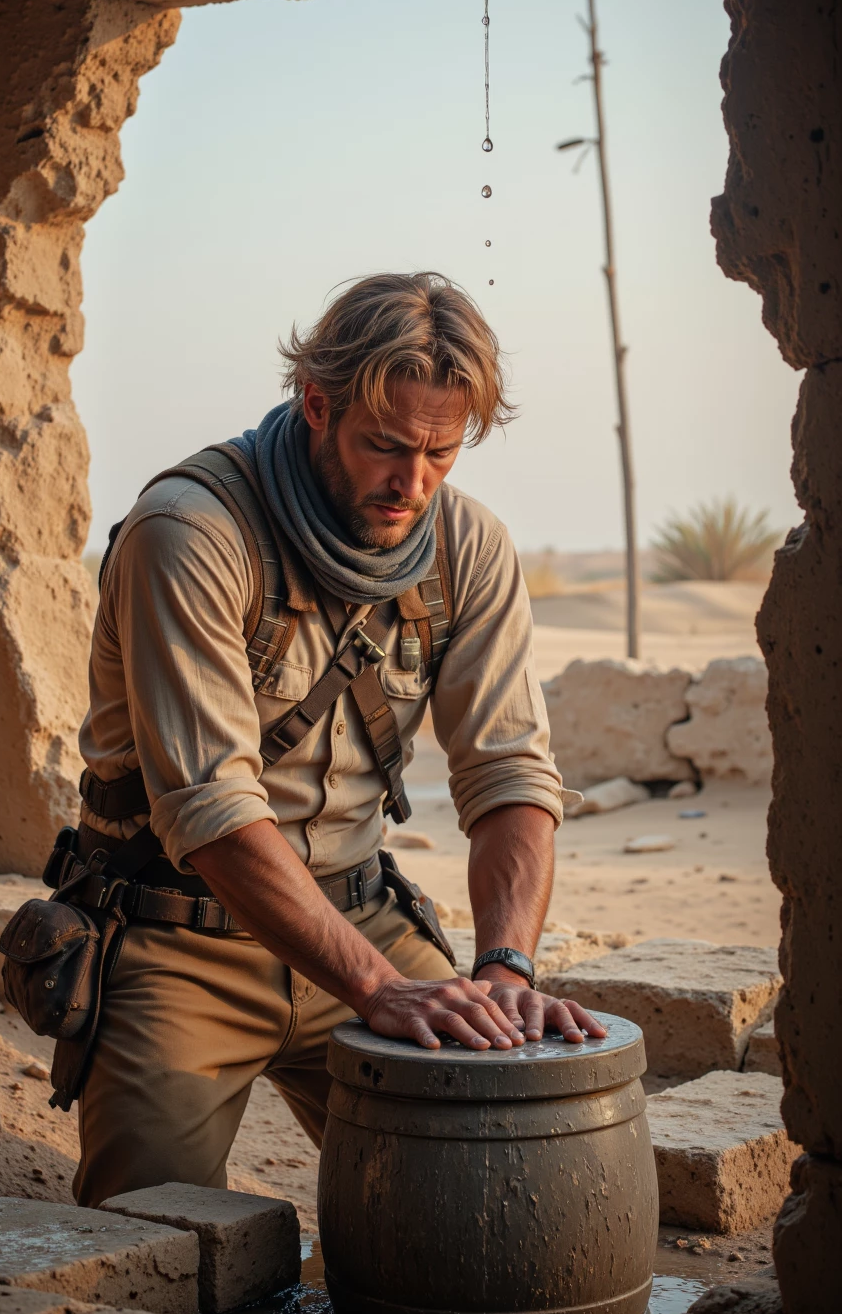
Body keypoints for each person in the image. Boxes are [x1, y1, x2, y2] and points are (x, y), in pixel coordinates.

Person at [72, 271, 603, 1206]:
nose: (414, 483)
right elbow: (212, 807)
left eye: (443, 453)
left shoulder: (468, 547)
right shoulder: (189, 533)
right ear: (316, 404)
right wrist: (378, 991)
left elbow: (511, 774)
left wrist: (505, 966)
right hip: (182, 937)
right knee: (149, 1246)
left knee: (503, 1191)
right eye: (386, 447)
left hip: (363, 917)